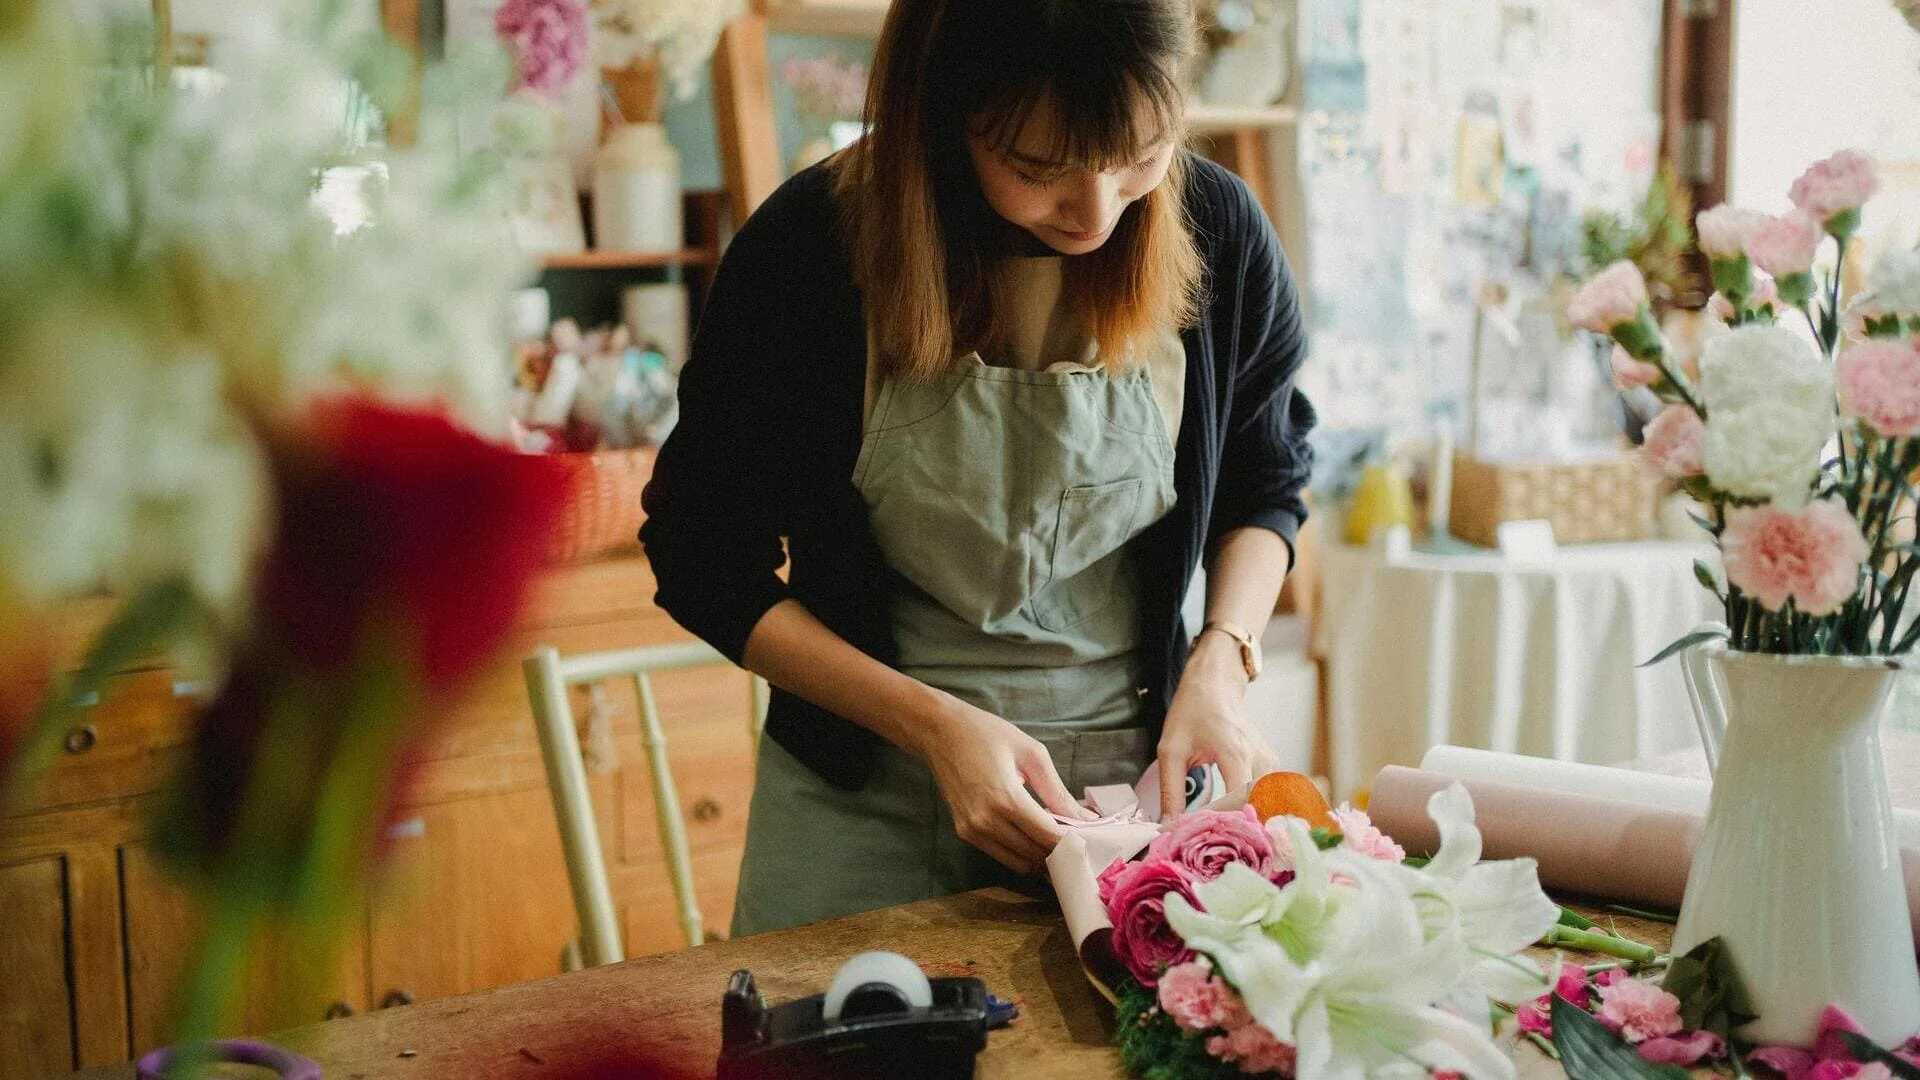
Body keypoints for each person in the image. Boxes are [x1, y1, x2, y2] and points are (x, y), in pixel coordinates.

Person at [639, 0, 1315, 937]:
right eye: (1040, 170)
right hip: (864, 781)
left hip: (1126, 793)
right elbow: (700, 555)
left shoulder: (1220, 233)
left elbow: (1265, 483)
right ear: (946, 111)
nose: (1096, 210)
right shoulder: (811, 247)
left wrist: (1222, 661)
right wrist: (933, 726)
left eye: (1140, 154)